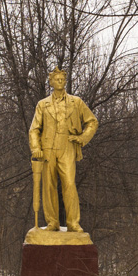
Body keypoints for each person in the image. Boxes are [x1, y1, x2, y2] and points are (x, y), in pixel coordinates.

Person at [28, 68, 98, 232]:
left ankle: (73, 222)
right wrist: (36, 148)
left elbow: (92, 122)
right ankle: (52, 222)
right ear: (51, 82)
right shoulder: (42, 104)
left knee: (69, 183)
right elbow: (34, 129)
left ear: (65, 81)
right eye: (56, 80)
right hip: (47, 149)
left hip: (67, 146)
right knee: (49, 185)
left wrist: (82, 138)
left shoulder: (76, 102)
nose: (59, 82)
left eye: (62, 79)